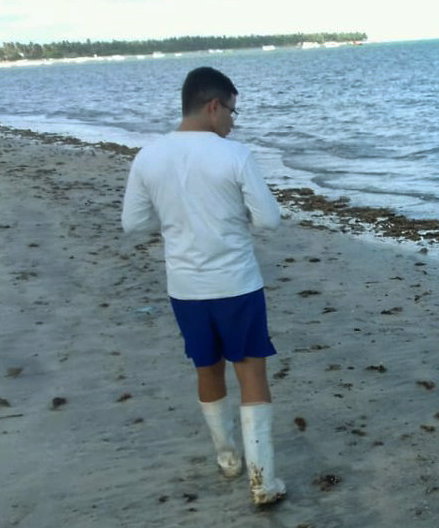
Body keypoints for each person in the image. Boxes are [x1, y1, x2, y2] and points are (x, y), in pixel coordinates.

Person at [121, 66, 286, 505]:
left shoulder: (149, 157)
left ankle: (228, 458)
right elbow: (269, 219)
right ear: (213, 105)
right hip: (236, 284)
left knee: (207, 369)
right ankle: (263, 479)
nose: (234, 121)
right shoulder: (234, 156)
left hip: (186, 289)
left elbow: (133, 224)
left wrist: (177, 219)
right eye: (233, 110)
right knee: (251, 371)